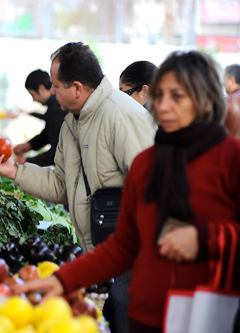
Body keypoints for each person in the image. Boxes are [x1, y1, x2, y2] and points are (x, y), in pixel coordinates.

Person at [14, 51, 240, 333]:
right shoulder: (146, 164)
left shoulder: (232, 161)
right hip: (146, 317)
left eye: (177, 96)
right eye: (160, 95)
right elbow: (124, 244)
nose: (163, 105)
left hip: (211, 318)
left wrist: (206, 239)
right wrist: (63, 279)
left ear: (206, 101)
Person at [0, 42, 156, 333]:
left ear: (77, 88)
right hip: (100, 255)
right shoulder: (71, 124)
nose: (51, 92)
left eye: (55, 86)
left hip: (132, 258)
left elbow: (155, 189)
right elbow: (62, 186)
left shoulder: (122, 116)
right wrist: (14, 171)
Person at [13, 69, 67, 167]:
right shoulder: (54, 107)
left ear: (41, 88)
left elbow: (58, 152)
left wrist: (27, 162)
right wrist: (29, 145)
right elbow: (49, 133)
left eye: (32, 94)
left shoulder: (58, 109)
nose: (33, 100)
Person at [223, 64, 240, 139]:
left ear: (232, 80)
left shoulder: (227, 101)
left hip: (233, 149)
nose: (223, 83)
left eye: (224, 79)